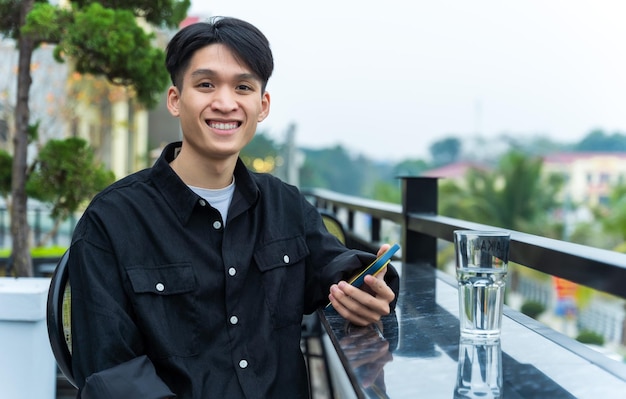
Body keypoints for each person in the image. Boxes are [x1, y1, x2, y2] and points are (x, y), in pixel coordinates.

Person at [67, 16, 399, 399]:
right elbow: (111, 374)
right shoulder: (112, 219)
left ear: (262, 105)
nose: (225, 103)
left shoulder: (284, 204)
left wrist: (372, 289)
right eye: (205, 84)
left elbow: (334, 268)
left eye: (243, 87)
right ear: (175, 100)